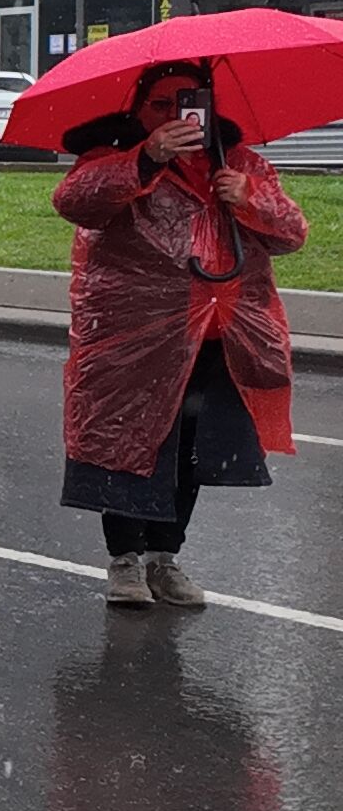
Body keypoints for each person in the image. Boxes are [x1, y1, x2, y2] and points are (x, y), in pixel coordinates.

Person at [56, 61, 306, 608]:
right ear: (139, 110)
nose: (176, 116)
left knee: (189, 451)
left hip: (219, 335)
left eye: (187, 102)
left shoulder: (237, 162)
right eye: (160, 106)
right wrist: (146, 158)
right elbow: (75, 201)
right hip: (134, 340)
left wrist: (251, 197)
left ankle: (164, 559)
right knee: (130, 444)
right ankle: (124, 560)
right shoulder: (112, 157)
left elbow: (292, 233)